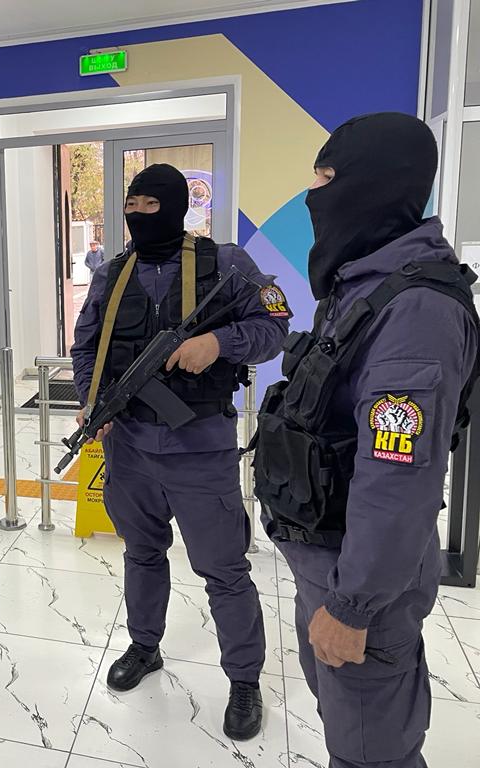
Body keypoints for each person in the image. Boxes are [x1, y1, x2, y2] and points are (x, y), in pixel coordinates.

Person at [253, 113, 480, 768]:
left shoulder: (415, 311)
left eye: (327, 179)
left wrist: (352, 607)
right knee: (347, 725)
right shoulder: (366, 284)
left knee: (370, 752)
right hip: (330, 558)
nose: (313, 195)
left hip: (358, 578)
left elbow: (398, 479)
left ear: (374, 184)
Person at [71, 164, 291, 740]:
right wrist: (93, 401)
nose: (139, 214)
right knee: (142, 554)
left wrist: (219, 341)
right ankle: (145, 647)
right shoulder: (112, 273)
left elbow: (275, 326)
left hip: (201, 447)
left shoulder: (227, 263)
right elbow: (87, 346)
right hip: (129, 449)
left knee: (224, 570)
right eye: (131, 205)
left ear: (176, 207)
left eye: (151, 204)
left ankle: (244, 680)